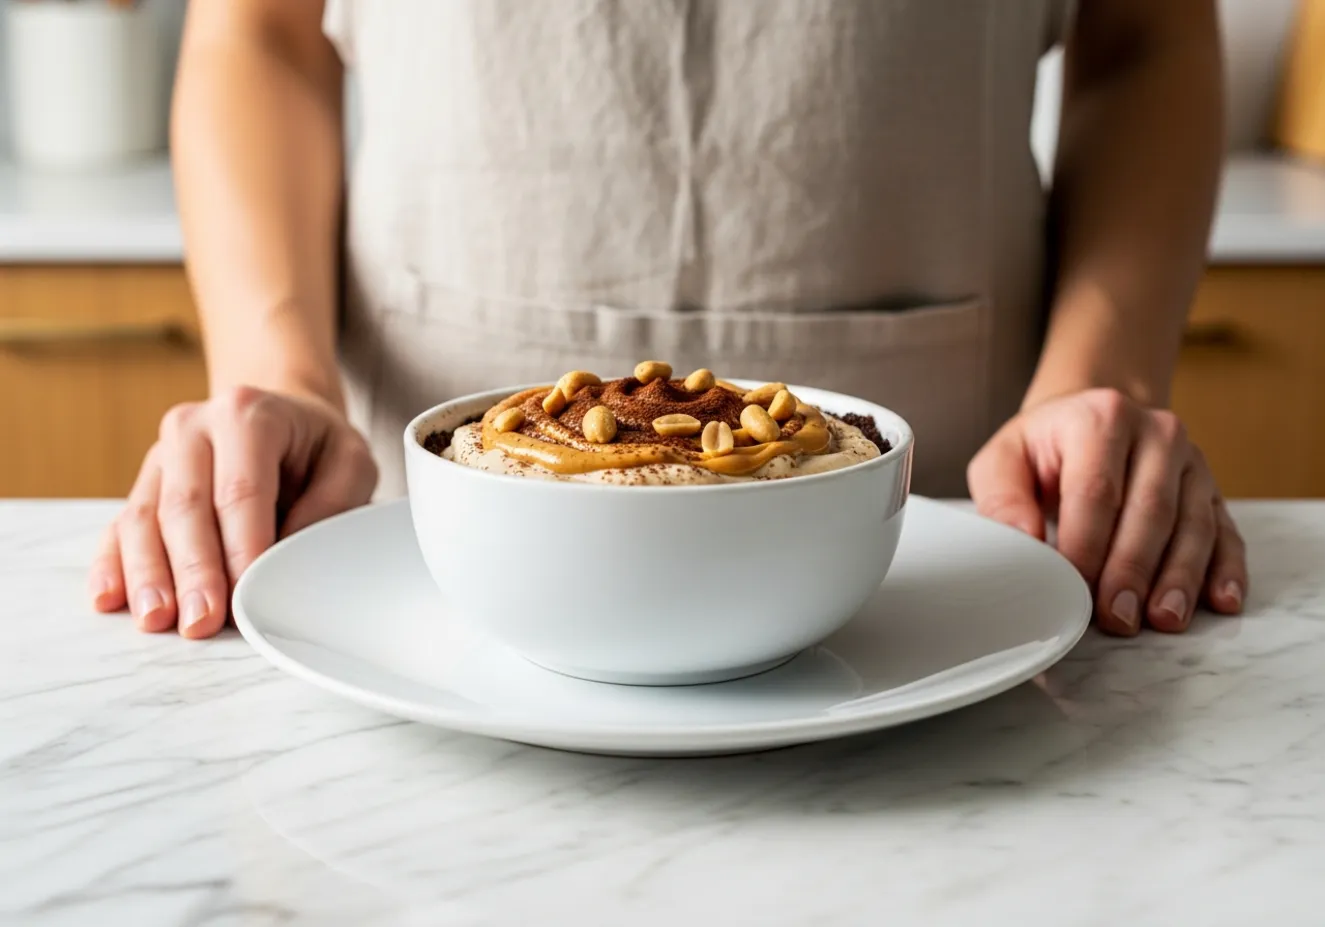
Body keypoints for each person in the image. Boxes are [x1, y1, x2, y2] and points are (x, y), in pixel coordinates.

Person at [88, 0, 1247, 641]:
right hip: (423, 536)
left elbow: (1144, 35)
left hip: (957, 545)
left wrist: (1102, 376)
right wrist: (279, 371)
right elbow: (260, 32)